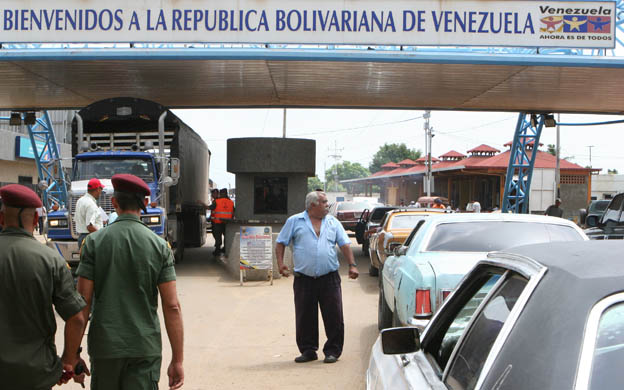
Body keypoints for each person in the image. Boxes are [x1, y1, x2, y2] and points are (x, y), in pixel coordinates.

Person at [74, 174, 184, 390]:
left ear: (114, 203)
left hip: (105, 348)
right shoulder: (159, 246)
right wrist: (177, 360)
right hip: (144, 348)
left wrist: (73, 354)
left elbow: (82, 304)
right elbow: (172, 306)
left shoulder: (93, 243)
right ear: (145, 203)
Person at [0, 184, 88, 389]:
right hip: (35, 374)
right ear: (35, 220)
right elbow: (76, 318)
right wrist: (67, 361)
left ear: (2, 219)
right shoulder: (50, 260)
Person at [275, 191, 359, 364]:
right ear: (312, 205)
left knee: (334, 315)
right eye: (324, 202)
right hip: (304, 279)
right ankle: (308, 350)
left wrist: (352, 265)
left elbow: (344, 244)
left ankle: (333, 351)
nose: (327, 204)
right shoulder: (294, 221)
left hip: (329, 278)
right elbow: (281, 242)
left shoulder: (333, 222)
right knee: (305, 316)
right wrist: (280, 264)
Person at [75, 177, 105, 250]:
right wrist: (103, 236)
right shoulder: (91, 204)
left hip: (82, 237)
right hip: (90, 239)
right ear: (98, 189)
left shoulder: (80, 200)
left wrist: (100, 222)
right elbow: (90, 227)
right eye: (101, 189)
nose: (101, 192)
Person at [211, 188, 234, 256]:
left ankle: (218, 250)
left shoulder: (217, 201)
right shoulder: (231, 202)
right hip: (227, 222)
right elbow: (233, 212)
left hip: (218, 222)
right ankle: (225, 249)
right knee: (226, 235)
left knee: (218, 236)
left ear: (220, 194)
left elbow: (210, 208)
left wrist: (203, 205)